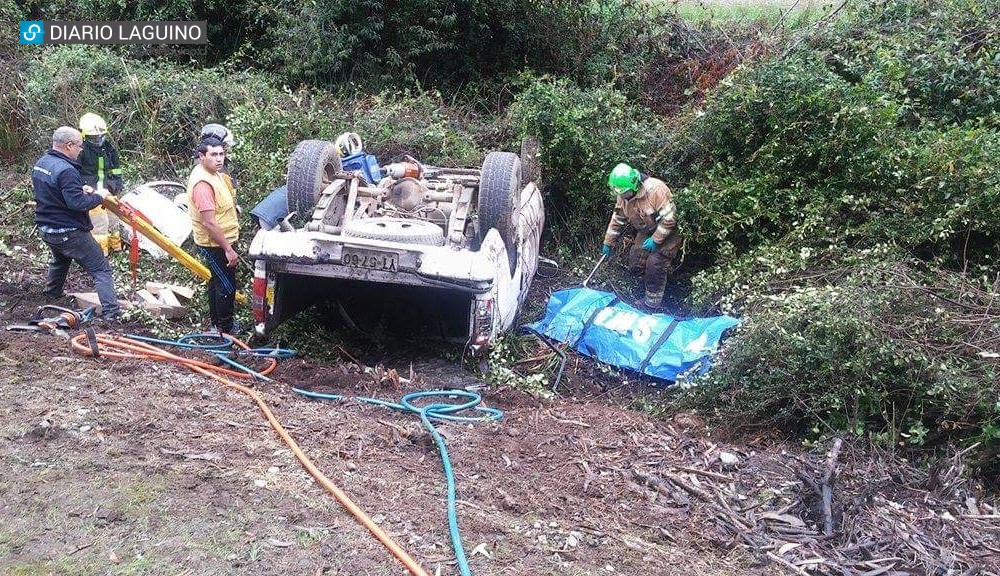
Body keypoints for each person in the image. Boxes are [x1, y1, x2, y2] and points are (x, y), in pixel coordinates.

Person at [32, 126, 120, 320]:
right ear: (69, 145)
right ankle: (112, 313)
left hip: (47, 228)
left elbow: (57, 191)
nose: (81, 149)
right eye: (80, 145)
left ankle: (52, 293)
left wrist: (80, 188)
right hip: (69, 231)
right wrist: (99, 195)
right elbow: (78, 204)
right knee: (100, 268)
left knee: (60, 259)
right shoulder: (66, 170)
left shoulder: (42, 163)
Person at [600, 162, 683, 311]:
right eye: (617, 192)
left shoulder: (656, 190)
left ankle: (651, 304)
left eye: (622, 192)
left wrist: (656, 240)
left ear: (633, 186)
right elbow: (617, 219)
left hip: (668, 231)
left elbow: (670, 218)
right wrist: (608, 242)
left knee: (655, 263)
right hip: (647, 231)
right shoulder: (623, 196)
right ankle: (657, 282)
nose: (620, 195)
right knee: (636, 261)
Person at [187, 136, 240, 334]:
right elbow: (209, 221)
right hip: (214, 244)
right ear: (202, 156)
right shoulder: (203, 183)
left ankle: (217, 324)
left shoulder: (213, 173)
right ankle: (225, 330)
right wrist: (228, 249)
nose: (219, 159)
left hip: (221, 240)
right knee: (226, 285)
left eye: (221, 154)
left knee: (217, 280)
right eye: (213, 155)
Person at [77, 112, 124, 253]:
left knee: (114, 221)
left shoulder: (108, 148)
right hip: (92, 194)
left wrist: (116, 185)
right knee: (99, 225)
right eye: (94, 137)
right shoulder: (81, 150)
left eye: (100, 136)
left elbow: (116, 169)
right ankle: (100, 253)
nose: (98, 140)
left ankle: (116, 248)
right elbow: (76, 172)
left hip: (109, 192)